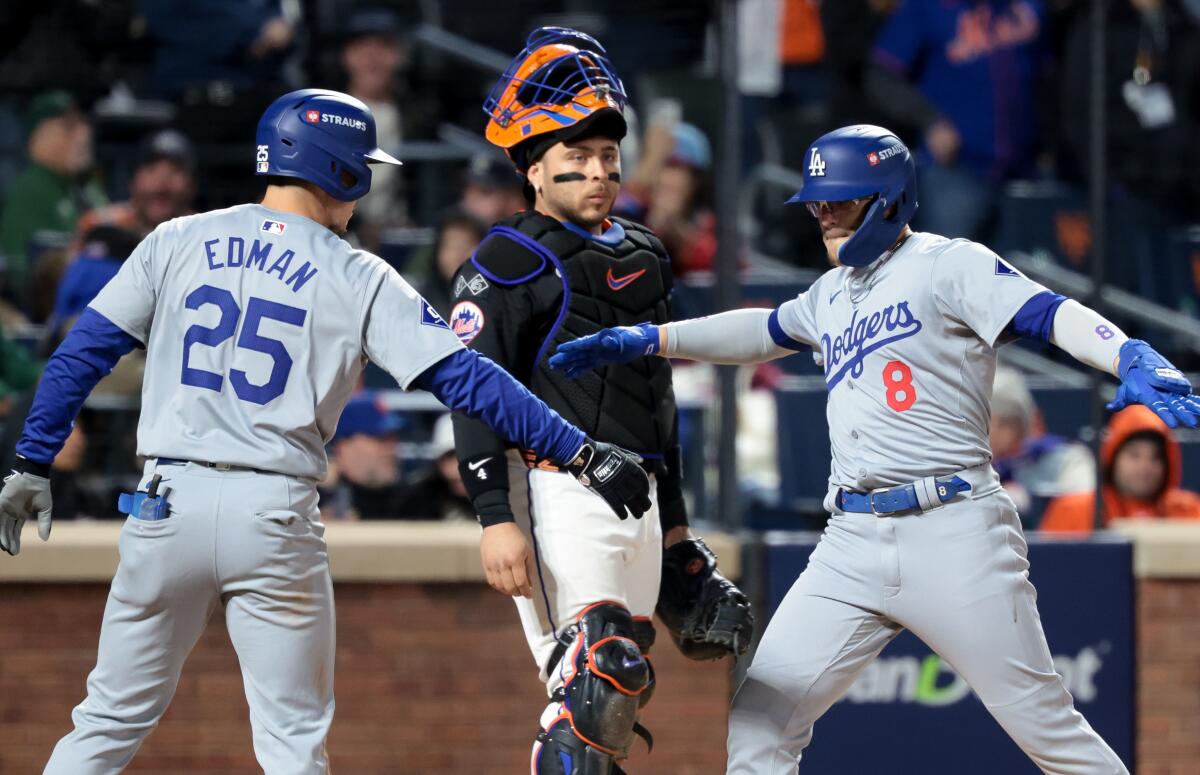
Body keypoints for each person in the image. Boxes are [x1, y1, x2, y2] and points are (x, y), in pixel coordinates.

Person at [0, 88, 651, 774]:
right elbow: (470, 380)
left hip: (165, 503)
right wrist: (579, 449)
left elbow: (79, 355)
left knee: (106, 719)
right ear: (341, 169)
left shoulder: (176, 237)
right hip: (273, 515)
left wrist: (32, 461)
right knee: (291, 743)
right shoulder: (358, 273)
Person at [549, 124, 1198, 773]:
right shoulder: (830, 294)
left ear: (888, 198)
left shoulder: (948, 263)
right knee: (759, 721)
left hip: (953, 527)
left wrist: (1125, 351)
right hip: (850, 541)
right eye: (818, 202)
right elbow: (761, 330)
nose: (823, 213)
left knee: (1048, 727)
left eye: (841, 200)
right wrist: (653, 337)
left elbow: (1045, 310)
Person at [455, 27, 752, 773]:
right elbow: (472, 392)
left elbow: (658, 401)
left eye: (607, 158)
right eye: (576, 157)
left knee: (613, 705)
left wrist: (678, 526)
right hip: (558, 493)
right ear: (531, 165)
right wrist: (495, 519)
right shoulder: (503, 259)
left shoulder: (646, 254)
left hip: (642, 500)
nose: (596, 172)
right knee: (595, 679)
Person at [867, 0, 1046, 241]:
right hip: (957, 169)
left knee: (1023, 274)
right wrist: (930, 120)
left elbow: (1050, 74)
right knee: (951, 270)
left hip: (1025, 171)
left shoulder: (1027, 7)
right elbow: (882, 76)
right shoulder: (927, 7)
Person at [0, 91, 106, 307]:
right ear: (37, 137)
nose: (83, 135)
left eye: (83, 124)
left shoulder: (89, 186)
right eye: (68, 127)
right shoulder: (28, 189)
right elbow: (23, 275)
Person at [1041, 404, 1200, 532]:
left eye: (1156, 457)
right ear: (1113, 458)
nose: (1145, 466)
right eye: (1134, 455)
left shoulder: (1188, 511)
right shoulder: (1073, 510)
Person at [990, 366, 1094, 522]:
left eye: (1006, 422)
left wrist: (1033, 501)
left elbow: (1083, 507)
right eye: (986, 422)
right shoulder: (958, 463)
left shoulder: (1067, 458)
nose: (994, 432)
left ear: (1023, 425)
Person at [76, 129, 197, 241]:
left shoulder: (205, 235)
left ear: (191, 187)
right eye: (152, 169)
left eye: (175, 171)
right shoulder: (99, 226)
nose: (163, 181)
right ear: (132, 182)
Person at [321, 390, 409, 520]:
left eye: (393, 438)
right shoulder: (310, 503)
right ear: (343, 447)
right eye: (380, 438)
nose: (391, 447)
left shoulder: (415, 501)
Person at [393, 412, 474, 520]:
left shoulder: (500, 494)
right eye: (449, 457)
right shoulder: (419, 499)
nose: (458, 467)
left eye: (468, 456)